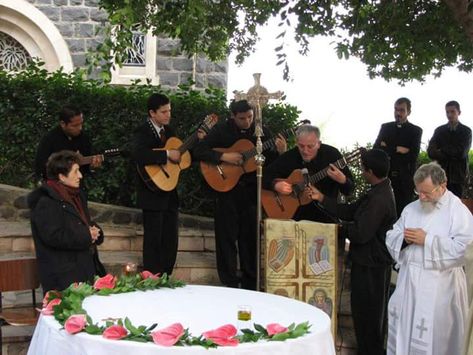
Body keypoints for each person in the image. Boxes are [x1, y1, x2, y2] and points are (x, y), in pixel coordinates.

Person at [309, 148, 397, 355]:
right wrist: (322, 197)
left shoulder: (379, 199)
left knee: (369, 318)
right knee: (362, 316)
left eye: (363, 167)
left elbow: (360, 233)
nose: (361, 170)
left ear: (370, 171)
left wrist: (337, 229)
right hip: (365, 262)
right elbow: (351, 211)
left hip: (372, 265)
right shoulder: (377, 189)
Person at [193, 99, 286, 290]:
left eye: (250, 117)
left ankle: (251, 282)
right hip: (226, 191)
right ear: (233, 116)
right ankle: (228, 281)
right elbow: (199, 150)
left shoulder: (262, 133)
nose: (247, 121)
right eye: (242, 118)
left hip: (251, 192)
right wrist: (223, 156)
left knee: (250, 238)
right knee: (226, 237)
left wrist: (280, 152)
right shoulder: (221, 130)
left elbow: (271, 166)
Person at [386, 162, 473, 355]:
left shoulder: (458, 211)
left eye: (427, 192)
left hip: (441, 286)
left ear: (443, 186)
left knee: (437, 340)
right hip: (409, 282)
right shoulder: (411, 208)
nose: (422, 198)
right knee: (404, 332)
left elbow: (465, 248)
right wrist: (404, 240)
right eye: (419, 192)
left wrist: (428, 240)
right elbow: (392, 235)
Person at [28, 150, 105, 293]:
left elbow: (81, 222)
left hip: (84, 270)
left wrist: (96, 231)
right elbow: (54, 236)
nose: (80, 176)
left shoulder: (76, 195)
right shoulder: (45, 202)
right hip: (63, 277)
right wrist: (87, 235)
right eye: (76, 172)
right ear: (62, 176)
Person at [131, 93, 182, 276]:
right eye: (164, 112)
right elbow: (139, 155)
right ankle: (152, 275)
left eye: (169, 111)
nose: (168, 115)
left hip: (170, 193)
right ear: (152, 113)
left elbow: (180, 157)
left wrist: (196, 140)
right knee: (153, 238)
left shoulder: (170, 131)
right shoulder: (142, 131)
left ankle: (167, 275)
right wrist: (167, 154)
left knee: (170, 238)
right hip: (151, 192)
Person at [263, 124, 355, 223]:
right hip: (296, 217)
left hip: (325, 216)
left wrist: (343, 180)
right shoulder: (290, 157)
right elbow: (264, 175)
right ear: (296, 143)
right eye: (301, 146)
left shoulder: (332, 155)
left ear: (319, 143)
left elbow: (349, 190)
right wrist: (275, 185)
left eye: (310, 146)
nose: (305, 151)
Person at [374, 97, 422, 217]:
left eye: (401, 110)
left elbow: (413, 156)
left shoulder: (415, 131)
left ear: (408, 112)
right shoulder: (386, 127)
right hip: (385, 177)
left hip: (404, 180)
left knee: (402, 213)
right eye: (396, 110)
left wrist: (387, 147)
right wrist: (397, 149)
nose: (398, 113)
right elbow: (376, 150)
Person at [34, 106, 102, 184]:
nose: (80, 128)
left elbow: (85, 167)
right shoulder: (49, 139)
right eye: (75, 126)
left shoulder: (84, 138)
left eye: (81, 124)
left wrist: (92, 166)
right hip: (55, 186)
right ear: (63, 124)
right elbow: (41, 166)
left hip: (76, 185)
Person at [427, 100, 472, 198]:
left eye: (452, 111)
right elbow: (431, 152)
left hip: (458, 177)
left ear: (459, 112)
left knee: (456, 206)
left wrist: (442, 150)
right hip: (440, 176)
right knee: (439, 205)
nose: (449, 114)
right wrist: (451, 152)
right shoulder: (439, 131)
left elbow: (461, 153)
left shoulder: (466, 131)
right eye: (447, 112)